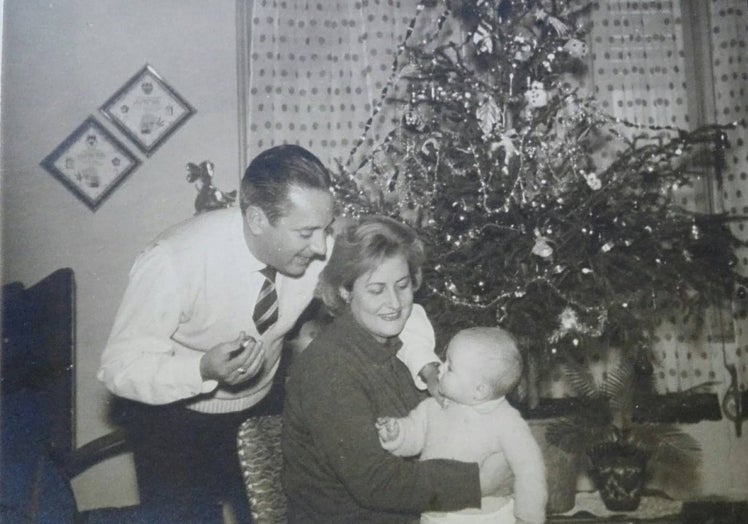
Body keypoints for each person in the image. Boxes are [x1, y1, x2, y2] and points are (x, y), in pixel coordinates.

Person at [97, 145, 440, 521]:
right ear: (258, 220)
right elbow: (118, 368)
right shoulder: (174, 261)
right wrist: (202, 371)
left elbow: (390, 302)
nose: (322, 247)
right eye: (306, 232)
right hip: (176, 426)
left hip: (263, 406)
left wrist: (427, 364)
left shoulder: (317, 247)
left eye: (325, 229)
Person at [282, 215, 511, 523]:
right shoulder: (329, 368)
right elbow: (376, 483)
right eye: (377, 289)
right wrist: (477, 482)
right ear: (346, 291)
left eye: (402, 285)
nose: (394, 303)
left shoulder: (400, 346)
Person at [377, 326, 548, 524]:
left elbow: (530, 468)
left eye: (450, 367)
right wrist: (397, 434)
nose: (440, 367)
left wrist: (529, 516)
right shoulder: (434, 407)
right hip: (435, 516)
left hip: (489, 517)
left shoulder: (506, 421)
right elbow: (413, 437)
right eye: (445, 359)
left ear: (479, 390)